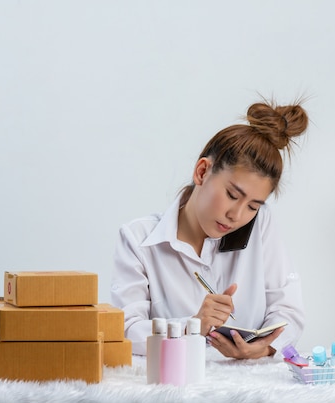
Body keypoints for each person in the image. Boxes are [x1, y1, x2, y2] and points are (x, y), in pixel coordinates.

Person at [111, 99, 309, 359]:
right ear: (202, 172)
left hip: (246, 391)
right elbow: (125, 331)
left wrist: (263, 348)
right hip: (172, 389)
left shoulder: (260, 225)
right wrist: (192, 325)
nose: (236, 215)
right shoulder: (138, 240)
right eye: (231, 194)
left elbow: (287, 310)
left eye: (253, 206)